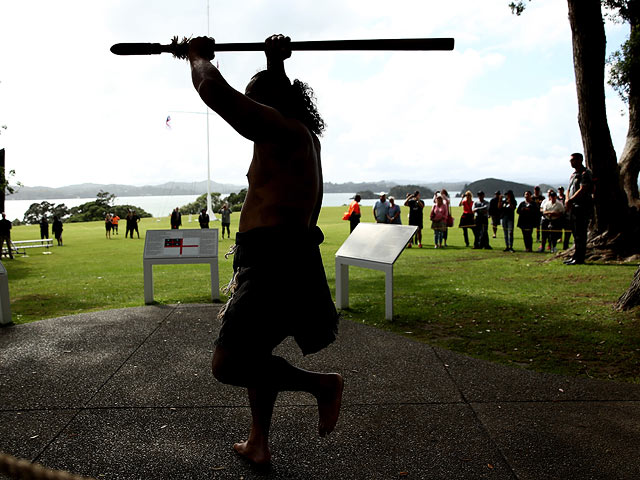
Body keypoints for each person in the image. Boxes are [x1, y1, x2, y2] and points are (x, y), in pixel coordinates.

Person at [188, 34, 342, 465]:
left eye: (255, 101)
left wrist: (198, 57)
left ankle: (321, 385)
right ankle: (259, 442)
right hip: (281, 259)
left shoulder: (283, 130)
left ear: (272, 106)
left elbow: (215, 92)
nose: (251, 108)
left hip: (276, 263)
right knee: (257, 354)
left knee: (229, 364)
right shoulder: (296, 133)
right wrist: (275, 62)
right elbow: (276, 96)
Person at [564, 152, 593, 265]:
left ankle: (580, 258)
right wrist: (567, 199)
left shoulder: (585, 173)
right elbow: (568, 189)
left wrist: (571, 200)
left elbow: (583, 189)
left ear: (579, 160)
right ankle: (575, 256)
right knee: (575, 233)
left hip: (582, 207)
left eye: (573, 160)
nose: (571, 162)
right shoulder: (573, 175)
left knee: (581, 233)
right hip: (573, 208)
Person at [557, 186, 572, 250]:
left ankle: (565, 245)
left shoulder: (566, 197)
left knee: (567, 232)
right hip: (559, 216)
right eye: (559, 190)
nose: (560, 191)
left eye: (561, 190)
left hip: (566, 216)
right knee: (558, 231)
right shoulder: (556, 198)